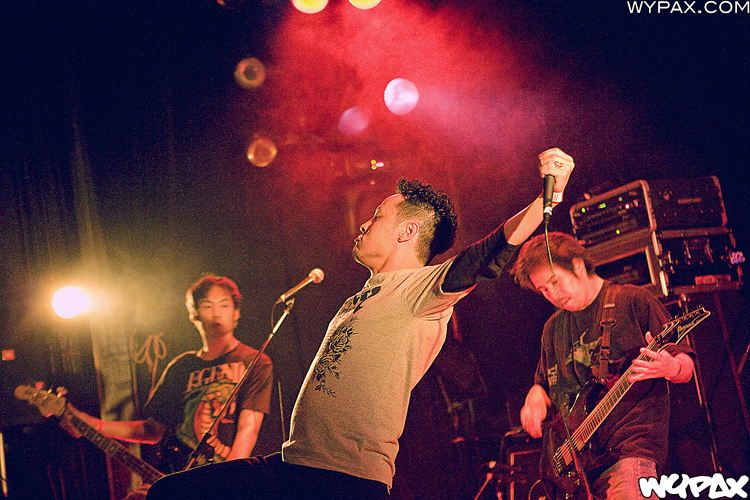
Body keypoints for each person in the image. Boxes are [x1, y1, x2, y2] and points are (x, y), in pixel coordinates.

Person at [146, 148, 575, 500]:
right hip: (295, 465)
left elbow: (485, 255)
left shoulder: (421, 289)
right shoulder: (362, 296)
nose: (365, 223)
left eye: (378, 216)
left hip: (343, 479)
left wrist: (549, 196)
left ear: (407, 231)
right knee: (168, 492)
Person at [511, 232, 695, 500]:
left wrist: (671, 367)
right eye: (543, 290)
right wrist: (534, 399)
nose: (552, 294)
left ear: (577, 265)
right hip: (574, 471)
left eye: (554, 282)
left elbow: (686, 366)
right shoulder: (552, 329)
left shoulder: (632, 301)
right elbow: (542, 386)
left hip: (628, 453)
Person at [63, 275, 273, 499]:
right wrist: (93, 424)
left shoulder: (255, 361)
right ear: (194, 314)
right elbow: (153, 430)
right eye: (207, 306)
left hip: (219, 480)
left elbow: (248, 429)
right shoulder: (181, 367)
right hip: (174, 475)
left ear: (236, 312)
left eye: (224, 305)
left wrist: (225, 483)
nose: (216, 313)